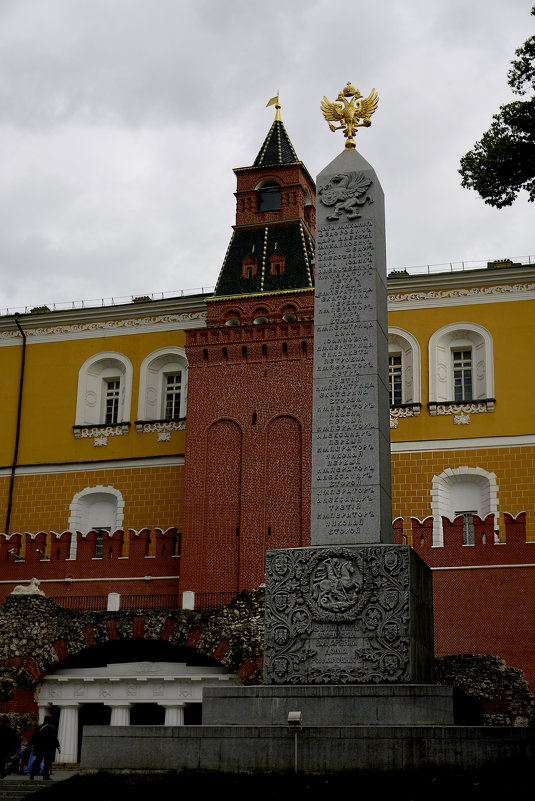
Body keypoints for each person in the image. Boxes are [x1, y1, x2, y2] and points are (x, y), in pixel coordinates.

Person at [28, 716, 60, 781]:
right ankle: (45, 776)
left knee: (37, 761)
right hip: (48, 748)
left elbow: (34, 737)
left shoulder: (39, 727)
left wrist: (32, 746)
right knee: (47, 762)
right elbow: (54, 738)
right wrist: (58, 746)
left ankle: (32, 774)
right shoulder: (51, 727)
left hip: (39, 747)